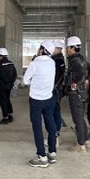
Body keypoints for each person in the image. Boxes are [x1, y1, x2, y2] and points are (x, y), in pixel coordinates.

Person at [23, 40, 57, 168]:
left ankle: (42, 157)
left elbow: (26, 81)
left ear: (42, 50)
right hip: (49, 98)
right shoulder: (52, 62)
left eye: (39, 48)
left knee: (37, 127)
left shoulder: (34, 63)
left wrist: (34, 83)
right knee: (51, 124)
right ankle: (52, 153)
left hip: (36, 100)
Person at [64, 36, 90, 153]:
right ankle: (86, 140)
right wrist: (87, 80)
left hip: (76, 93)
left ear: (72, 48)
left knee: (77, 119)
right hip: (82, 92)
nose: (66, 49)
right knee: (80, 117)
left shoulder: (74, 60)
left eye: (67, 47)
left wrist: (74, 82)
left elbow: (79, 72)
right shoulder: (82, 59)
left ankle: (80, 145)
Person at [0, 48, 17, 124]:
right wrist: (11, 82)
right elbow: (15, 74)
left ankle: (5, 118)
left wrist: (6, 82)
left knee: (3, 101)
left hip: (2, 86)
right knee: (7, 99)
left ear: (0, 55)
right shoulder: (11, 63)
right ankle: (10, 115)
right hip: (9, 86)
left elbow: (1, 75)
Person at [51, 40, 66, 145]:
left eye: (53, 48)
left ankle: (55, 137)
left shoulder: (56, 60)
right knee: (56, 111)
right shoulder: (60, 59)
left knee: (53, 112)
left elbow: (54, 77)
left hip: (55, 89)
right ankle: (56, 135)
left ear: (58, 49)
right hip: (58, 88)